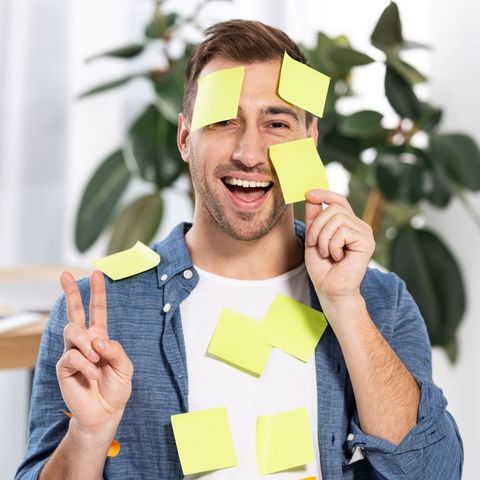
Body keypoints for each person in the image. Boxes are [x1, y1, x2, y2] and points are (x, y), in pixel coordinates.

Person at [16, 19, 463, 480]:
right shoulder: (99, 311)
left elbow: (435, 472)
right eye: (225, 121)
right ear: (186, 138)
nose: (250, 153)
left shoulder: (379, 301)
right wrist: (87, 437)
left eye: (275, 123)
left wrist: (344, 304)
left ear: (308, 142)